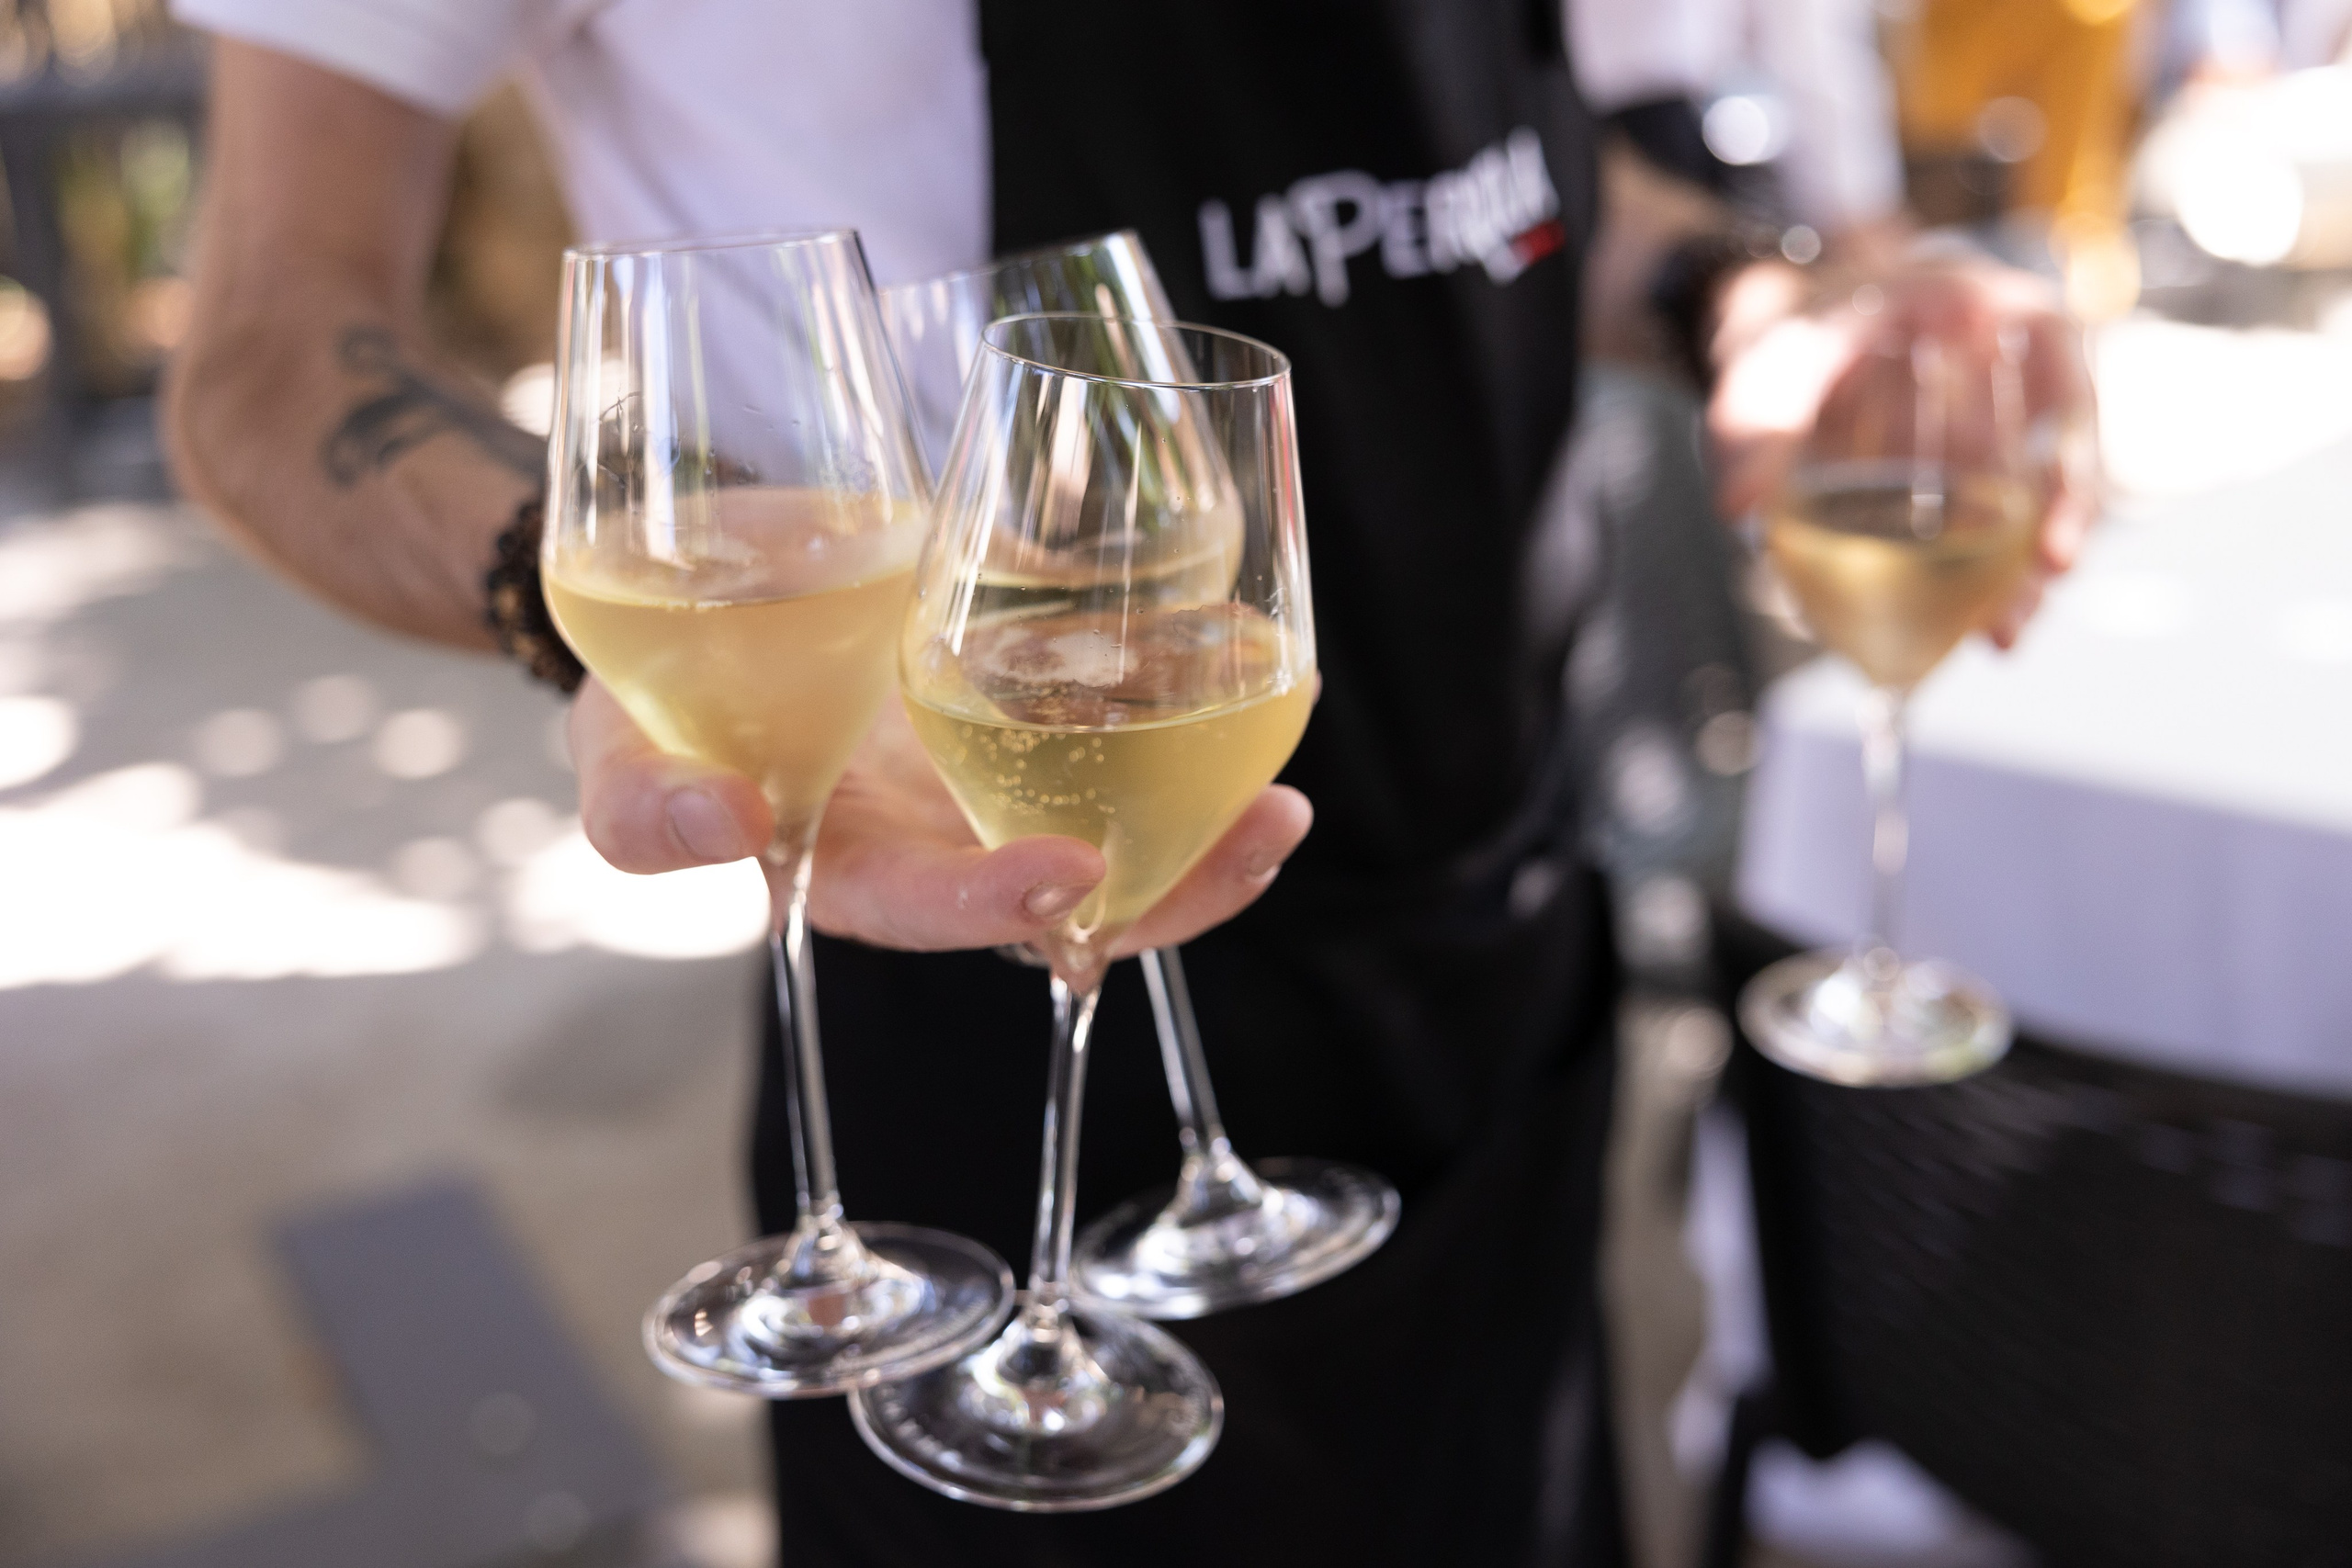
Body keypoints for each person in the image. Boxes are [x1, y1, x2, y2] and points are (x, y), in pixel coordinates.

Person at [160, 3, 2092, 1562]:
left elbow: (1500, 186)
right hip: (961, 934)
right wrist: (595, 601)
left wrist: (1741, 295)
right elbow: (265, 350)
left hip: (1494, 945)